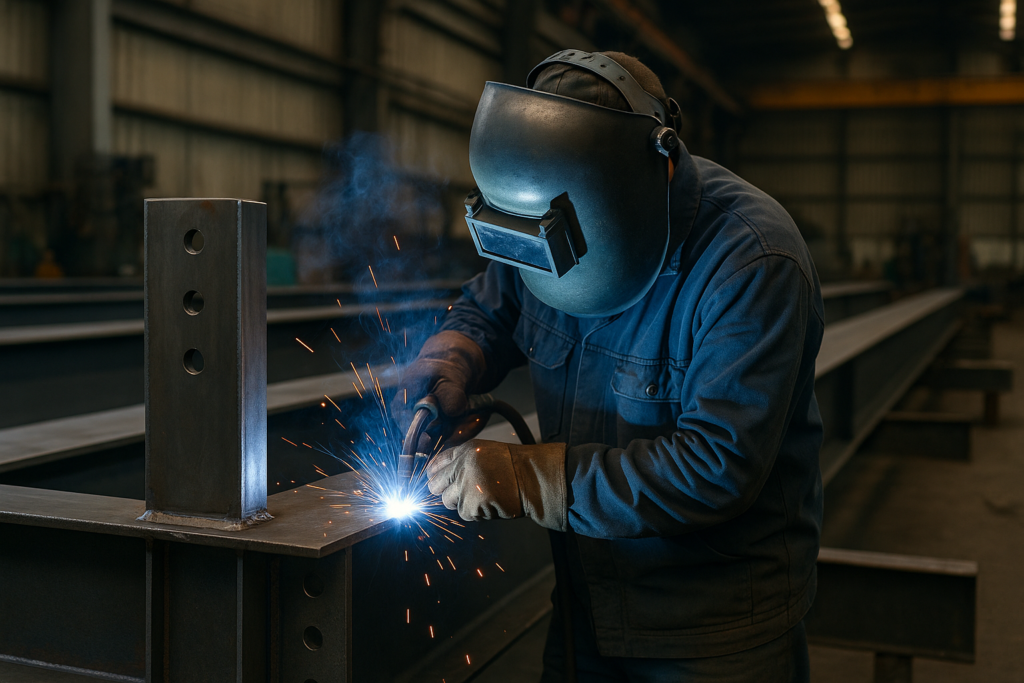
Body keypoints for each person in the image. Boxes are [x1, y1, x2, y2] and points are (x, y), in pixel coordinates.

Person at [394, 50, 823, 682]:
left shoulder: (752, 262)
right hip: (584, 606)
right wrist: (453, 358)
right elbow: (493, 304)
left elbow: (718, 467)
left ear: (657, 168)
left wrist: (528, 480)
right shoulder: (544, 209)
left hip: (714, 633)